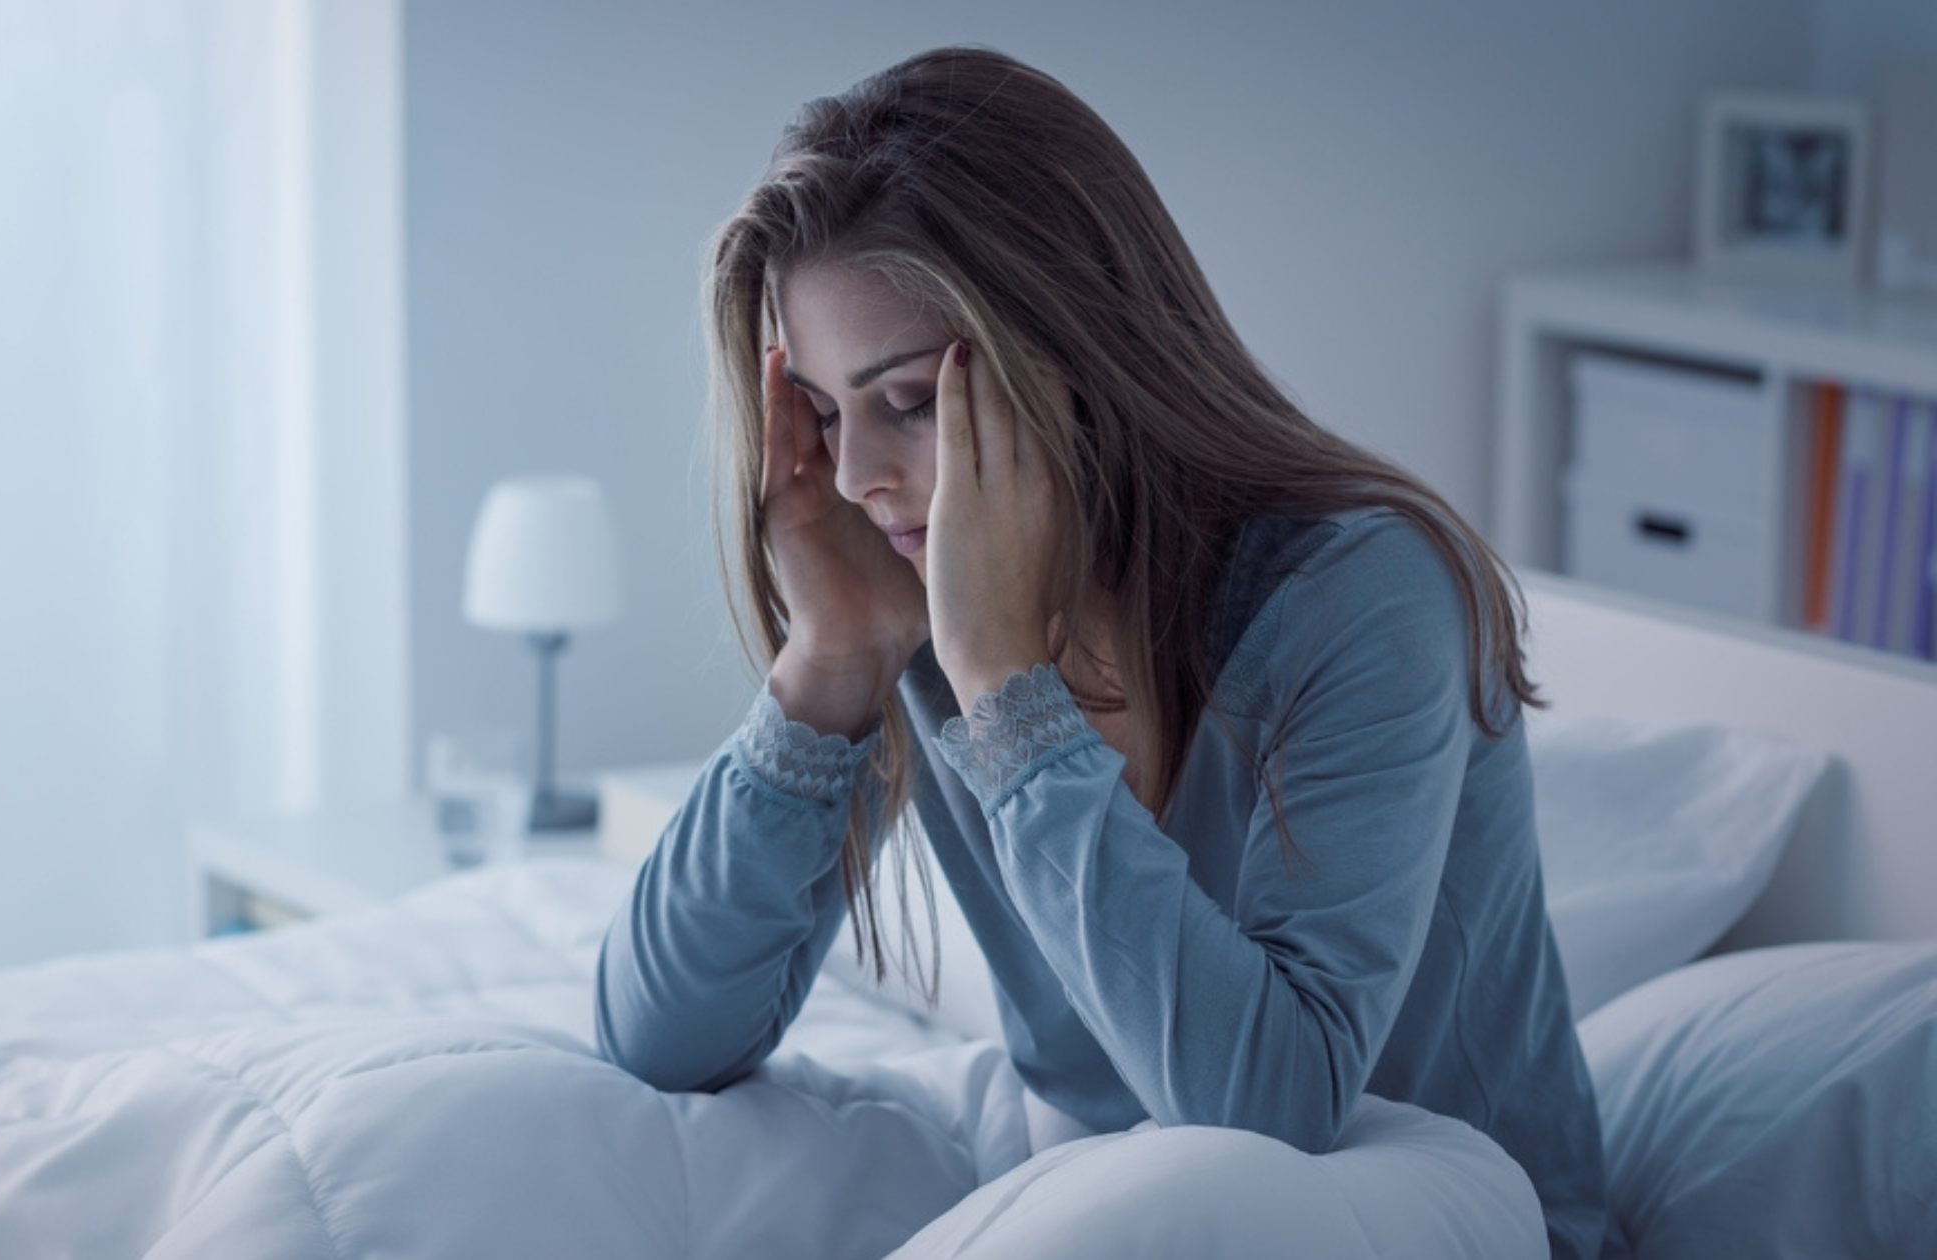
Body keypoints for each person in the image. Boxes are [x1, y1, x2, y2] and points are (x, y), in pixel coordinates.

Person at [593, 46, 1606, 1260]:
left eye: (908, 401)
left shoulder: (1361, 594)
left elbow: (1268, 1113)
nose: (855, 476)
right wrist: (832, 655)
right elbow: (657, 1040)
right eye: (817, 411)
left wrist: (1009, 699)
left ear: (1075, 355)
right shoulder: (917, 602)